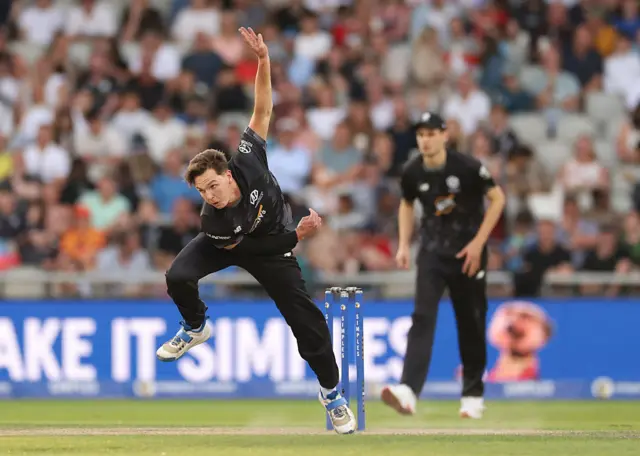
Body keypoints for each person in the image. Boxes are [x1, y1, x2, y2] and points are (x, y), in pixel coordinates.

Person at [155, 28, 356, 434]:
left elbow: (262, 109)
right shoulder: (213, 221)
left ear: (228, 174)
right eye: (200, 191)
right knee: (178, 275)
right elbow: (267, 242)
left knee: (307, 322)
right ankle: (196, 327)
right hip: (247, 243)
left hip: (271, 246)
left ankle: (331, 394)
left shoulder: (248, 157)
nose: (209, 195)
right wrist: (300, 234)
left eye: (213, 185)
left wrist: (264, 61)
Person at [381, 112, 506, 419]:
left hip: (468, 254)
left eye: (431, 134)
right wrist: (403, 245)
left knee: (471, 321)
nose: (425, 140)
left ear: (444, 135)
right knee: (422, 317)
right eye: (420, 135)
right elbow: (407, 204)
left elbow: (498, 198)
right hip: (433, 253)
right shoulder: (412, 171)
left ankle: (473, 395)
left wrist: (478, 243)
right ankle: (408, 390)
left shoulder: (467, 167)